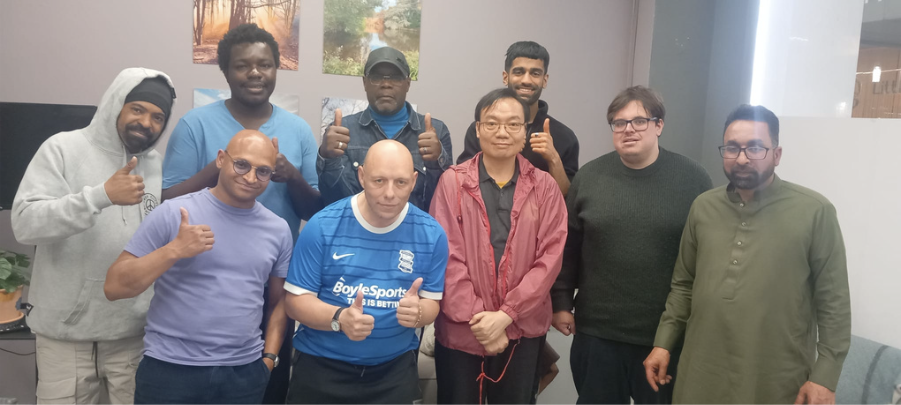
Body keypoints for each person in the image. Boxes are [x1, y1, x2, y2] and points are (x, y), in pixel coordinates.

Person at [643, 105, 851, 405]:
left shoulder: (815, 212)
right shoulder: (703, 207)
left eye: (755, 147)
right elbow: (683, 285)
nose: (741, 158)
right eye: (732, 148)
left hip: (775, 378)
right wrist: (663, 343)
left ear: (776, 155)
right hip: (701, 371)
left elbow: (835, 304)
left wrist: (825, 377)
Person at [161, 23, 319, 401]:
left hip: (274, 279)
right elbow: (169, 199)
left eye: (264, 65)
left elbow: (314, 210)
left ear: (277, 69)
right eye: (242, 65)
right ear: (225, 71)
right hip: (204, 274)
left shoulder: (297, 129)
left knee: (266, 385)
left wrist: (290, 175)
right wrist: (227, 166)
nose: (254, 73)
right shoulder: (194, 125)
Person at [11, 67, 175, 405]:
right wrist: (100, 196)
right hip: (66, 336)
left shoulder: (154, 164)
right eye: (138, 109)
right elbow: (25, 224)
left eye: (158, 116)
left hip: (131, 335)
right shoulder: (62, 149)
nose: (146, 122)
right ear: (116, 104)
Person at [105, 130, 293, 405]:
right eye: (241, 164)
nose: (251, 178)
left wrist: (269, 358)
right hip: (170, 370)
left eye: (263, 171)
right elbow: (114, 287)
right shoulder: (174, 213)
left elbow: (280, 302)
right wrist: (173, 251)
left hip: (243, 374)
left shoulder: (278, 229)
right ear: (220, 159)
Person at [551, 86, 712, 405]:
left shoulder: (693, 180)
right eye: (619, 123)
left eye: (639, 121)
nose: (628, 130)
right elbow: (568, 247)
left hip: (664, 336)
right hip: (598, 333)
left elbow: (704, 257)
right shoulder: (590, 177)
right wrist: (561, 302)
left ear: (659, 125)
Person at [429, 88, 567, 405]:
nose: (502, 132)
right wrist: (482, 322)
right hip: (463, 331)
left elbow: (550, 259)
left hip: (521, 329)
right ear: (478, 129)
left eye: (512, 124)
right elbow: (446, 257)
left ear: (525, 131)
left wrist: (505, 316)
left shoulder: (545, 187)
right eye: (491, 123)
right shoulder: (452, 182)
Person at [284, 140, 449, 405]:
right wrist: (339, 317)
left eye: (401, 183)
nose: (390, 193)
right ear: (361, 176)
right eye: (379, 181)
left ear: (415, 180)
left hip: (393, 373)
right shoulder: (323, 226)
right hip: (322, 369)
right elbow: (294, 302)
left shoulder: (432, 234)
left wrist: (418, 313)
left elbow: (432, 303)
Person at [318, 46, 453, 211]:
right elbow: (333, 202)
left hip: (414, 233)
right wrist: (327, 158)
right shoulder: (342, 131)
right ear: (365, 83)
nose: (386, 84)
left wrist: (436, 161)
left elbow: (442, 204)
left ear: (408, 84)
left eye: (395, 78)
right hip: (357, 234)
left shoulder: (436, 132)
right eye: (376, 77)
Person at [456, 41, 579, 196]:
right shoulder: (483, 129)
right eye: (519, 72)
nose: (526, 80)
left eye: (535, 73)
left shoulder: (564, 137)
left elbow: (568, 201)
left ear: (545, 80)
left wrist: (553, 159)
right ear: (505, 77)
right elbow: (461, 184)